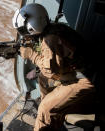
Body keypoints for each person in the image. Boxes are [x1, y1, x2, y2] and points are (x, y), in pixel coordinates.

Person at [12, 3, 96, 131]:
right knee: (42, 78)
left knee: (46, 108)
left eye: (24, 31)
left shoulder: (50, 39)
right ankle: (52, 117)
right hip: (81, 71)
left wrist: (30, 54)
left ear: (32, 26)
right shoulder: (55, 29)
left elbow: (51, 70)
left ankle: (47, 113)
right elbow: (54, 63)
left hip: (86, 79)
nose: (24, 35)